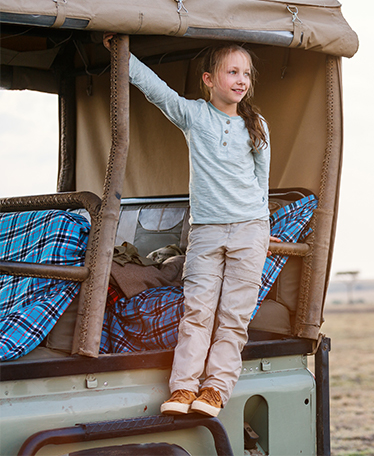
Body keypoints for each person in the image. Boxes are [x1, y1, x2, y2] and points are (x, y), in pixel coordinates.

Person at [103, 34, 279, 417]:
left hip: (249, 230)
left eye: (246, 73)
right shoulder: (194, 115)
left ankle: (215, 389)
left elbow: (261, 181)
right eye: (232, 71)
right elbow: (155, 90)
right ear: (209, 80)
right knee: (197, 311)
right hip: (206, 232)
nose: (241, 79)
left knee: (234, 317)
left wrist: (263, 228)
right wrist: (122, 53)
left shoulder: (256, 124)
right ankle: (183, 388)